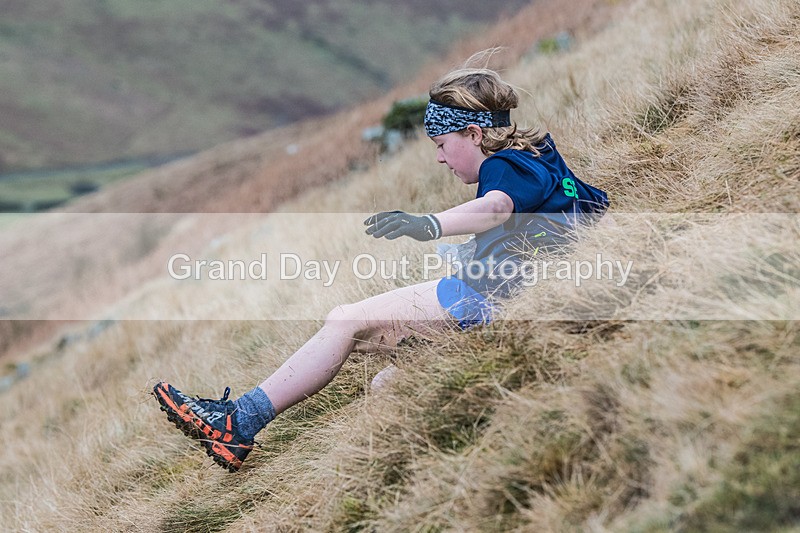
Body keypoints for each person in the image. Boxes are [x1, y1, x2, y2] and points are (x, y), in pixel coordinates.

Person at [153, 64, 609, 472]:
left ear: (473, 133)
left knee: (346, 320)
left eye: (443, 144)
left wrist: (428, 224)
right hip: (516, 297)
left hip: (493, 298)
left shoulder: (506, 167)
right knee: (389, 384)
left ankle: (238, 422)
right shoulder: (536, 156)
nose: (440, 158)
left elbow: (495, 208)